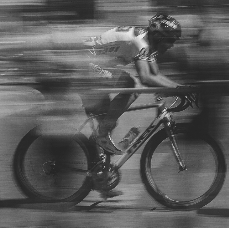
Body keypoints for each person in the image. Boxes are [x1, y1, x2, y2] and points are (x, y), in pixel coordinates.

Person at [81, 13, 189, 155]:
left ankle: (96, 161)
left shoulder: (148, 42)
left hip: (94, 62)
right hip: (86, 62)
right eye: (170, 40)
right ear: (158, 37)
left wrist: (180, 88)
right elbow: (146, 77)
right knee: (133, 85)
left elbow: (156, 75)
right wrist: (178, 90)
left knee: (108, 118)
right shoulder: (141, 43)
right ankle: (101, 136)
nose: (172, 45)